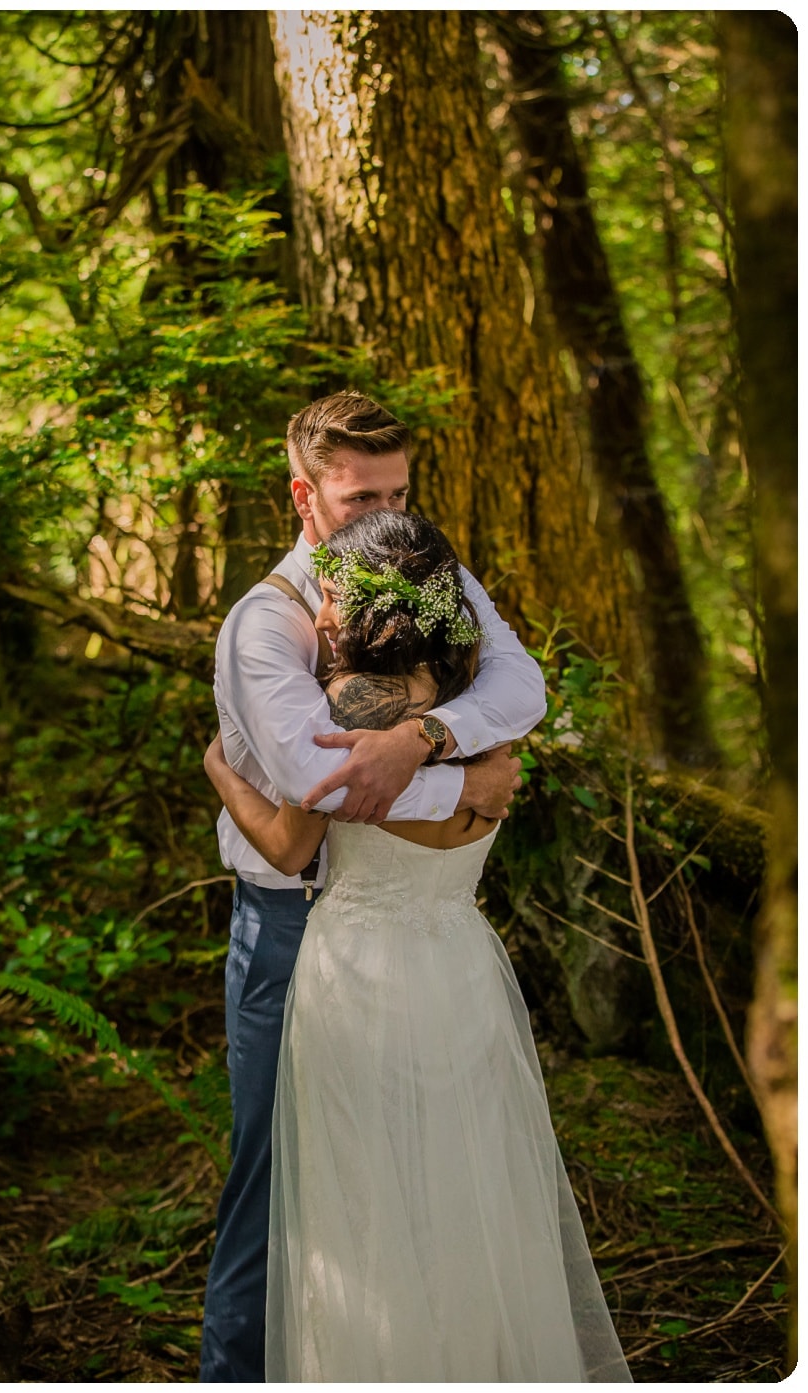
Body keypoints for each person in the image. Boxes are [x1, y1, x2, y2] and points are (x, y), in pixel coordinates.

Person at [203, 508, 628, 1381]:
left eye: (326, 592)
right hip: (460, 965)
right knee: (470, 1197)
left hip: (355, 976)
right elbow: (492, 748)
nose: (316, 609)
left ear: (349, 601)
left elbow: (286, 846)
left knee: (363, 1209)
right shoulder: (478, 708)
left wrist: (219, 770)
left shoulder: (342, 710)